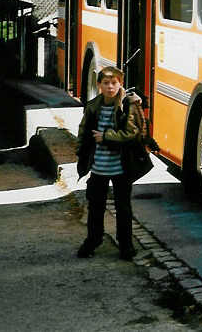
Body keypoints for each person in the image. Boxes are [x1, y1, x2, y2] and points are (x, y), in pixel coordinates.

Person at [75, 66, 146, 260]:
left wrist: (106, 136)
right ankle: (93, 240)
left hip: (121, 167)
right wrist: (80, 152)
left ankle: (126, 245)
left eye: (114, 83)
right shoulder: (93, 106)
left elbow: (132, 133)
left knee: (123, 208)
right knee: (95, 207)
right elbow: (84, 132)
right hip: (99, 166)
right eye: (105, 83)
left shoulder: (127, 105)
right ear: (99, 85)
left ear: (120, 84)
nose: (110, 87)